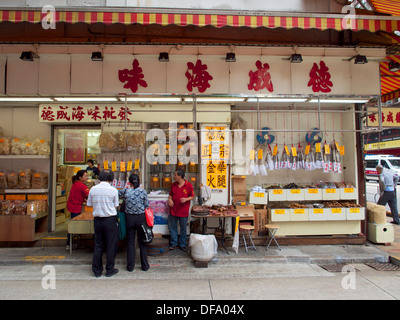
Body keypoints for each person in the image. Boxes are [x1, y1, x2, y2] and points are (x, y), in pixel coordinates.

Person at [87, 170, 120, 277]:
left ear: (99, 178)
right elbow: (116, 205)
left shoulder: (93, 189)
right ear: (111, 179)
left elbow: (89, 204)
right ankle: (110, 269)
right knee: (111, 245)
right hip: (110, 220)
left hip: (98, 220)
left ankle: (97, 270)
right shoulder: (113, 190)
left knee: (98, 245)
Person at [119, 174, 150, 272]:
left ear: (130, 182)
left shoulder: (126, 191)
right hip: (141, 218)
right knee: (142, 242)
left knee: (130, 242)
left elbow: (118, 194)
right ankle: (145, 266)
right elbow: (147, 205)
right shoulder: (143, 191)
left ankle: (130, 267)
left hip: (129, 218)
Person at [168, 169, 194, 252]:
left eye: (175, 175)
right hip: (173, 210)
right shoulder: (173, 185)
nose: (174, 176)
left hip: (183, 210)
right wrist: (170, 200)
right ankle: (174, 243)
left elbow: (192, 196)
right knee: (172, 227)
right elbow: (170, 195)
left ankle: (183, 244)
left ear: (180, 176)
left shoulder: (188, 185)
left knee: (183, 228)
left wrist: (186, 199)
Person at [66, 170, 89, 251]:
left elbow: (79, 195)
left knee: (74, 224)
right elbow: (90, 194)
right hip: (75, 207)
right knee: (74, 226)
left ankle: (72, 242)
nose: (87, 177)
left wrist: (84, 200)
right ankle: (69, 243)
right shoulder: (81, 185)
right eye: (85, 176)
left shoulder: (76, 184)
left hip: (73, 206)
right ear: (80, 177)